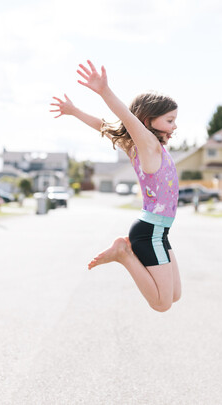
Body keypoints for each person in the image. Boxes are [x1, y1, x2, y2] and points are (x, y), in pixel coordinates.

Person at [50, 60, 181, 312]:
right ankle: (123, 254)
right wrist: (104, 91)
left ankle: (124, 251)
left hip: (158, 231)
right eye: (169, 120)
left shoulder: (138, 147)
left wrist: (74, 111)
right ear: (147, 121)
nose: (174, 126)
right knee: (162, 303)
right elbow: (125, 118)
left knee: (175, 295)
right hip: (150, 230)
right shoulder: (148, 145)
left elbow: (104, 126)